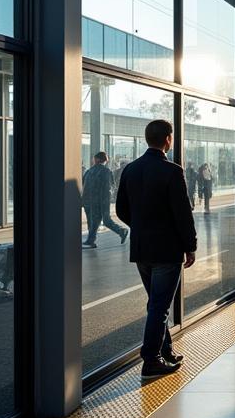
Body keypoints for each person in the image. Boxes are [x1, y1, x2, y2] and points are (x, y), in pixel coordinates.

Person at [115, 119, 197, 381]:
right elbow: (183, 214)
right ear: (168, 140)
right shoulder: (172, 171)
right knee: (160, 306)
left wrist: (140, 227)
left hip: (142, 250)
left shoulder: (131, 169)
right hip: (167, 250)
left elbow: (121, 209)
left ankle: (167, 351)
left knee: (156, 303)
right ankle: (151, 360)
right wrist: (190, 246)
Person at [82, 151, 128, 248]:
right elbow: (110, 187)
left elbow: (84, 186)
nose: (92, 160)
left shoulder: (89, 172)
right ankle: (91, 240)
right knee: (100, 220)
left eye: (93, 158)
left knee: (95, 221)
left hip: (91, 201)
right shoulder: (105, 172)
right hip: (100, 201)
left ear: (97, 159)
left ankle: (121, 231)